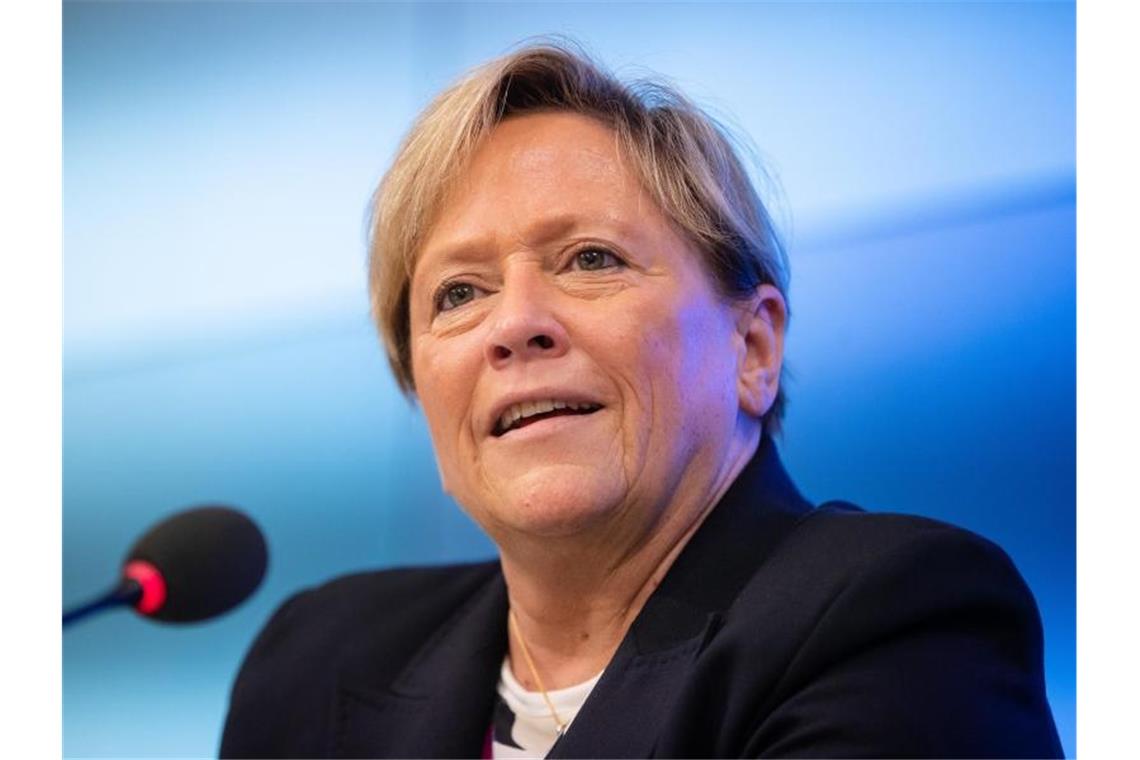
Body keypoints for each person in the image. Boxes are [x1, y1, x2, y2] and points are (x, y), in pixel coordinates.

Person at [219, 43, 1063, 758]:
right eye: (458, 294)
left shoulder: (899, 619)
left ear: (753, 347)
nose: (514, 325)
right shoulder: (319, 661)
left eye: (590, 259)